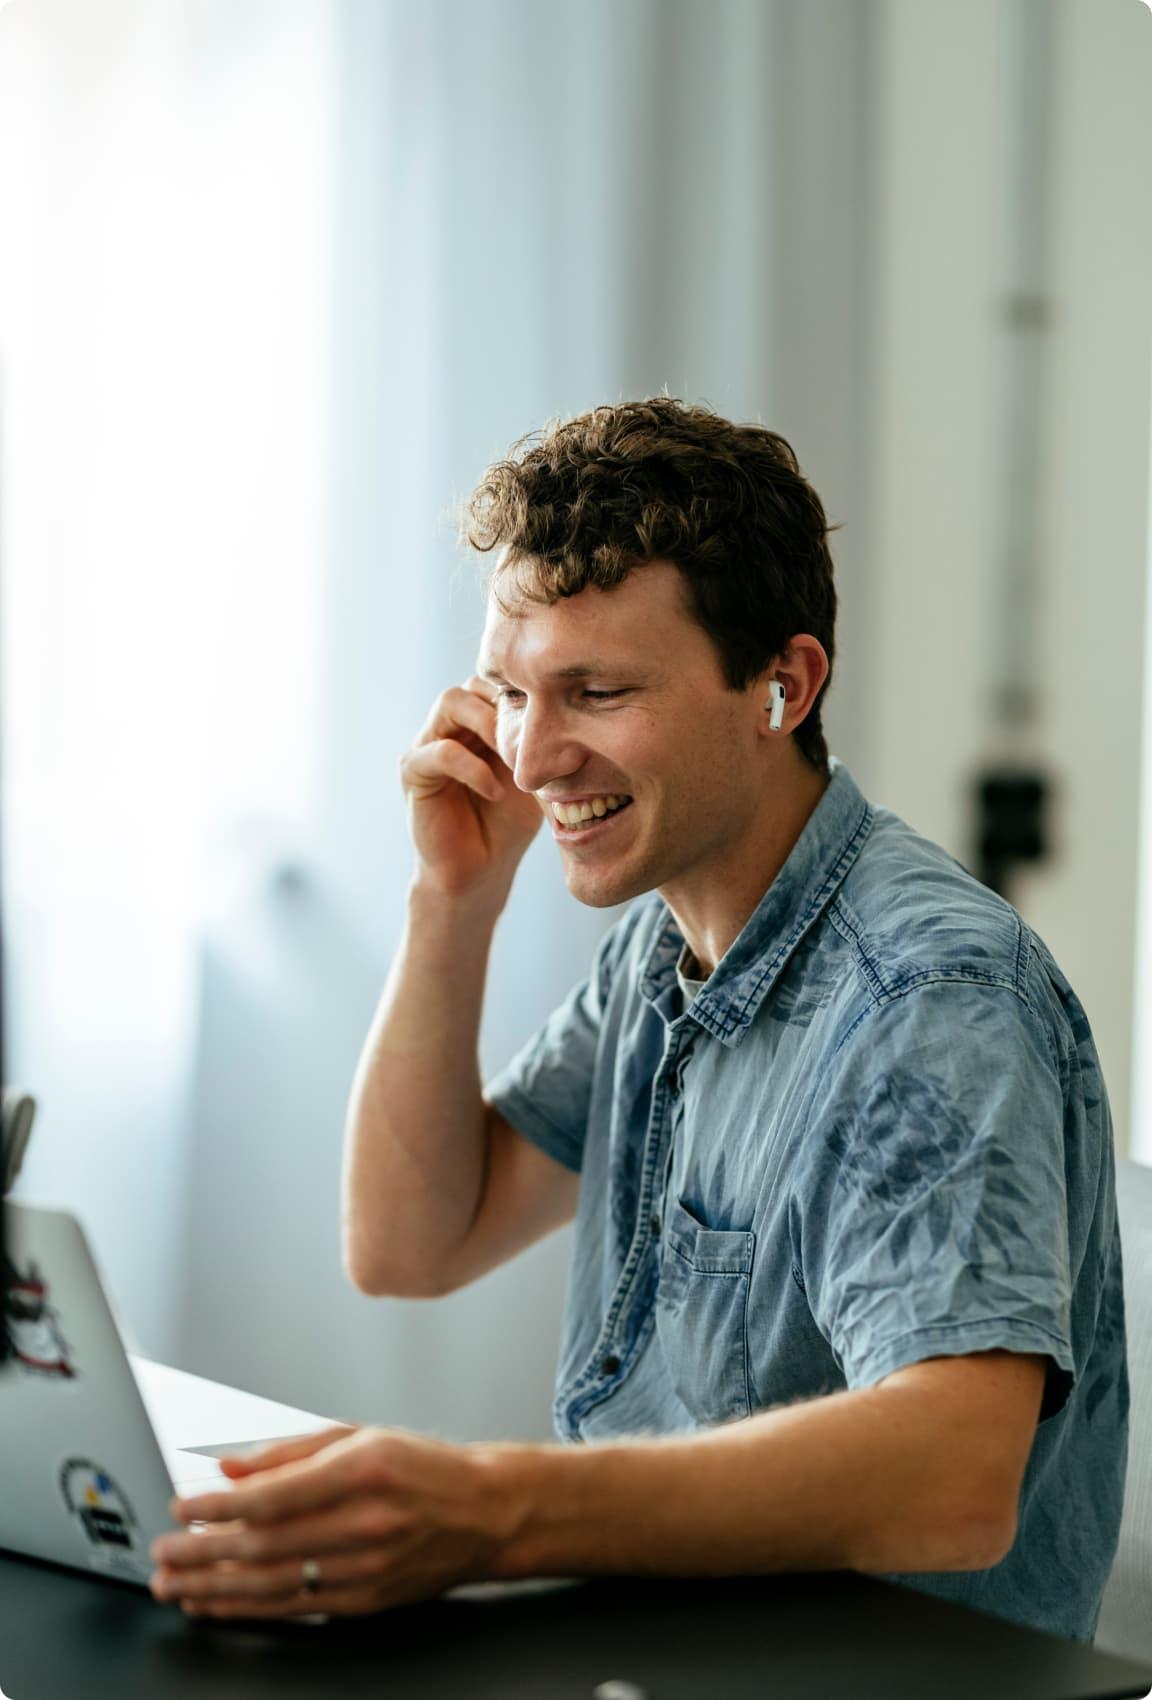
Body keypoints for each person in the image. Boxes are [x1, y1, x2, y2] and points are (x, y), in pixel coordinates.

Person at [149, 398, 1127, 1642]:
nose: (535, 753)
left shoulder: (929, 994)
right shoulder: (663, 948)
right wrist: (453, 900)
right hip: (661, 1648)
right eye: (510, 690)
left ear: (784, 683)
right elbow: (407, 1240)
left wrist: (493, 1507)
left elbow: (958, 1475)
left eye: (596, 690)